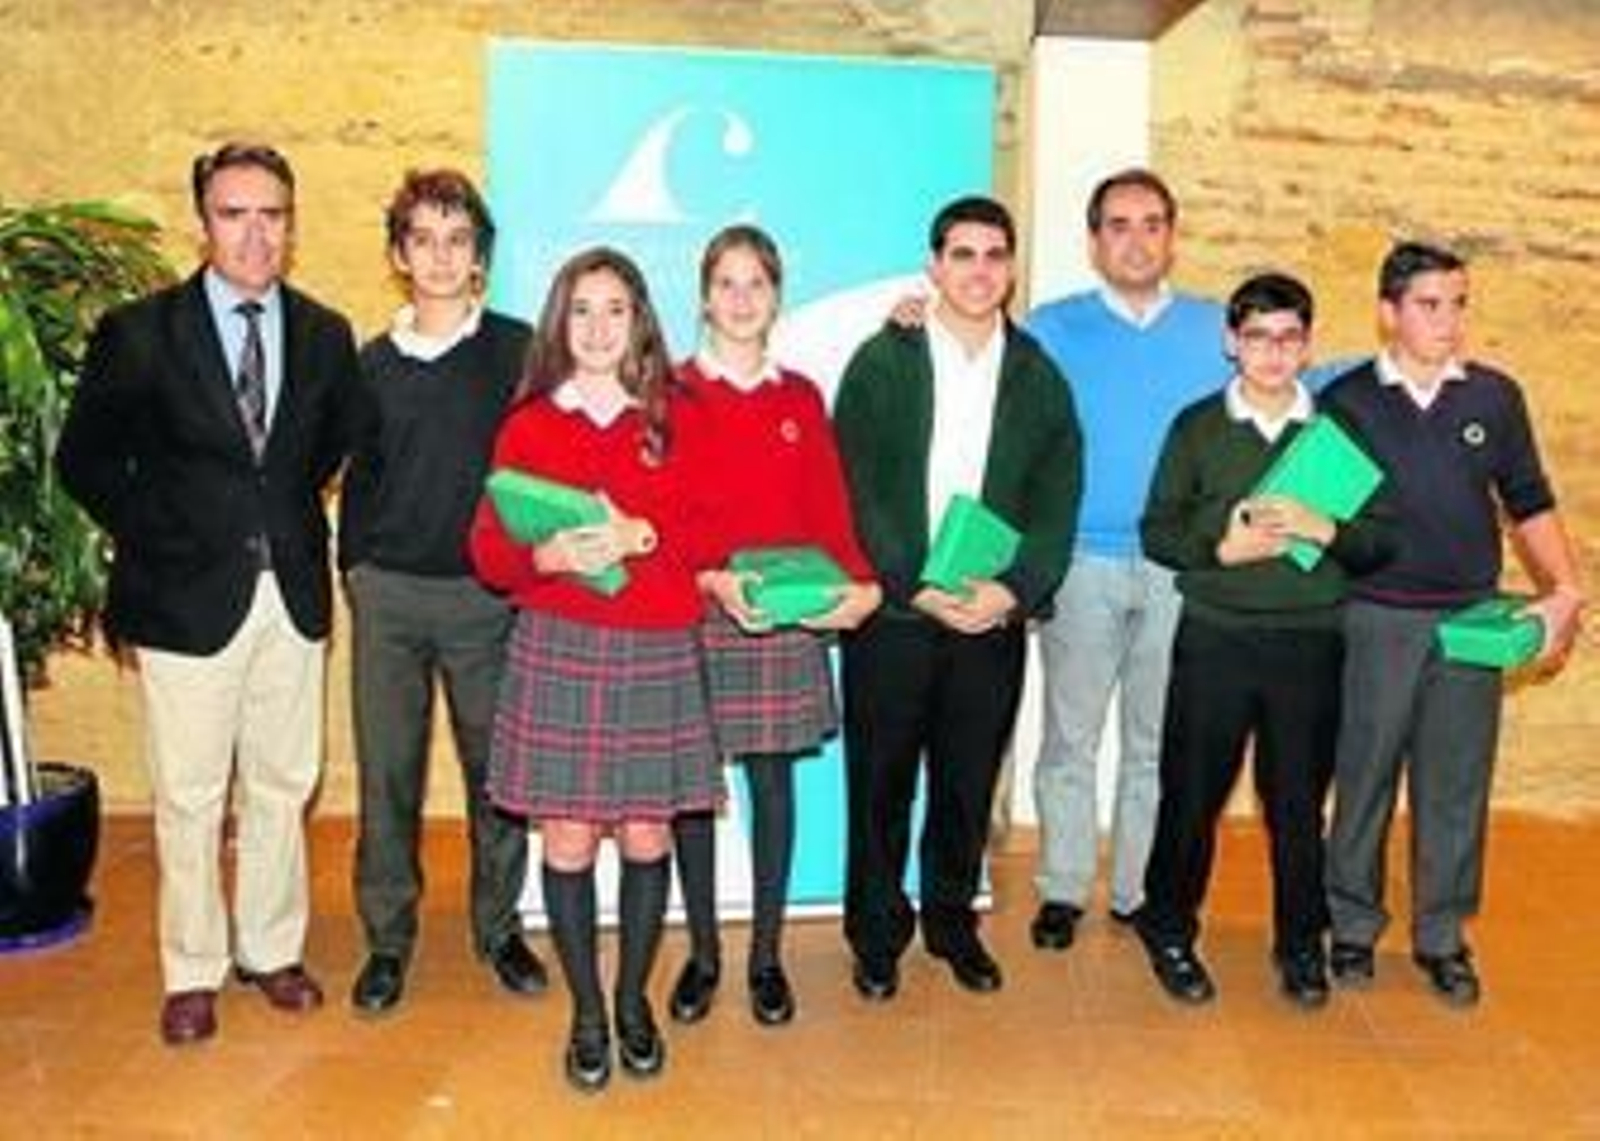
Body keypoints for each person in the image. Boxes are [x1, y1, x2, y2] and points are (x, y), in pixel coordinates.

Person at [55, 142, 358, 1045]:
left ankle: (271, 948)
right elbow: (86, 459)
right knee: (190, 794)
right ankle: (193, 967)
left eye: (273, 214)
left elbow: (332, 446)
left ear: (291, 225)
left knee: (282, 780)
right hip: (184, 598)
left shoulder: (325, 332)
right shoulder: (139, 332)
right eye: (235, 213)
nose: (255, 233)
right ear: (204, 222)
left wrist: (278, 521)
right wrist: (168, 530)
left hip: (292, 594)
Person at [469, 247, 722, 1092]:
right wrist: (547, 549)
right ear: (560, 322)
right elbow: (491, 554)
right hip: (562, 647)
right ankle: (585, 1013)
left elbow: (706, 539)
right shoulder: (530, 423)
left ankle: (633, 1002)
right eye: (583, 309)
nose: (599, 326)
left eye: (616, 308)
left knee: (649, 833)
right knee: (571, 838)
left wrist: (640, 535)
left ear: (640, 319)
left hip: (656, 644)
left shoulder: (676, 414)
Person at [1320, 241, 1586, 1007]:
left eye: (1458, 303)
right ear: (1388, 312)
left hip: (1471, 623)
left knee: (1455, 785)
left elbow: (1528, 502)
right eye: (1430, 305)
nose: (1448, 320)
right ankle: (1351, 926)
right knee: (1364, 777)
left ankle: (1442, 935)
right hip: (1374, 619)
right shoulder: (1349, 402)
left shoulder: (1495, 399)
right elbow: (1317, 520)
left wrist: (1564, 588)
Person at [833, 195, 1082, 1000]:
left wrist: (1013, 590)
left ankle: (950, 921)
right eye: (963, 254)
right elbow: (857, 482)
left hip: (988, 617)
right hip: (899, 616)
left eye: (994, 255)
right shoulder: (884, 360)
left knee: (968, 781)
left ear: (1011, 268)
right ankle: (876, 934)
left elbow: (1057, 498)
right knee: (880, 784)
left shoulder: (1038, 374)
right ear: (935, 265)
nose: (979, 270)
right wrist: (913, 581)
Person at [1133, 272, 1394, 1007]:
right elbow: (1159, 530)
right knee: (1192, 793)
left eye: (1288, 337)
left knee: (1296, 804)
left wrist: (1327, 529)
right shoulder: (1197, 426)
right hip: (1215, 636)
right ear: (1231, 342)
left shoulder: (1336, 435)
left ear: (1307, 345)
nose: (1273, 353)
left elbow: (1382, 539)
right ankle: (1170, 928)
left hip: (1309, 642)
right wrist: (1220, 550)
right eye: (1257, 337)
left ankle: (1300, 945)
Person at [338, 169, 547, 1016]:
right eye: (422, 238)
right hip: (387, 595)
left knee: (499, 776)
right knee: (388, 775)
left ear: (480, 259)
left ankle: (498, 928)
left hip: (483, 599)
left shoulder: (518, 350)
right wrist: (356, 569)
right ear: (398, 254)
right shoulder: (369, 362)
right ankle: (388, 940)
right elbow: (358, 476)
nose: (439, 255)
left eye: (457, 240)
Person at [667, 225, 880, 1030]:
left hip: (786, 614)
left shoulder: (801, 397)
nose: (742, 298)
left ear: (777, 295)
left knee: (773, 785)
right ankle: (703, 955)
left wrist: (858, 585)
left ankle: (763, 957)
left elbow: (828, 505)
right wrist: (711, 580)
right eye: (727, 283)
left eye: (757, 283)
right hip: (700, 611)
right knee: (690, 792)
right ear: (704, 296)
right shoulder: (674, 394)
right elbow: (665, 518)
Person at [1022, 169, 1228, 951]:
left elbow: (1293, 378)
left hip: (1181, 568)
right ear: (1094, 239)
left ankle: (1140, 889)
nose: (1135, 240)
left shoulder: (1217, 329)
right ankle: (1063, 887)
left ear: (1172, 235)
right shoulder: (1049, 328)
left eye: (1150, 224)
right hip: (1080, 561)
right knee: (1070, 736)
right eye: (1118, 225)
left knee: (1155, 739)